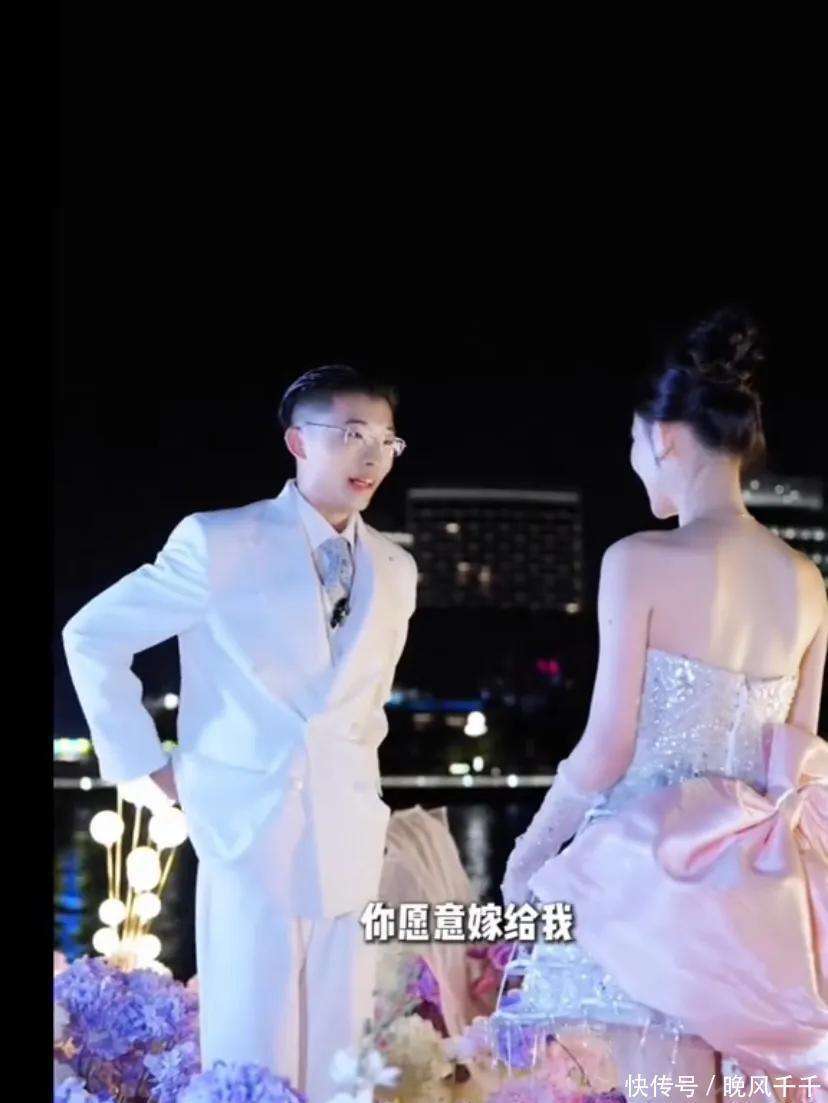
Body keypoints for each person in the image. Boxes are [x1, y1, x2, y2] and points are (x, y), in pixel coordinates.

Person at [496, 308, 828, 1100]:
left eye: (633, 441)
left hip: (648, 888)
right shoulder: (808, 581)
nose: (634, 458)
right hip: (766, 903)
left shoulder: (637, 560)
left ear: (666, 437)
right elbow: (798, 758)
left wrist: (533, 851)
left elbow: (607, 745)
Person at [62, 364, 418, 1102]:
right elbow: (93, 635)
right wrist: (146, 768)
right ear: (297, 441)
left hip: (350, 834)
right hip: (247, 828)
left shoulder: (396, 567)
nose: (371, 457)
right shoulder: (219, 541)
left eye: (386, 441)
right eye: (351, 435)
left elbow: (363, 709)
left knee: (344, 1066)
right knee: (249, 1055)